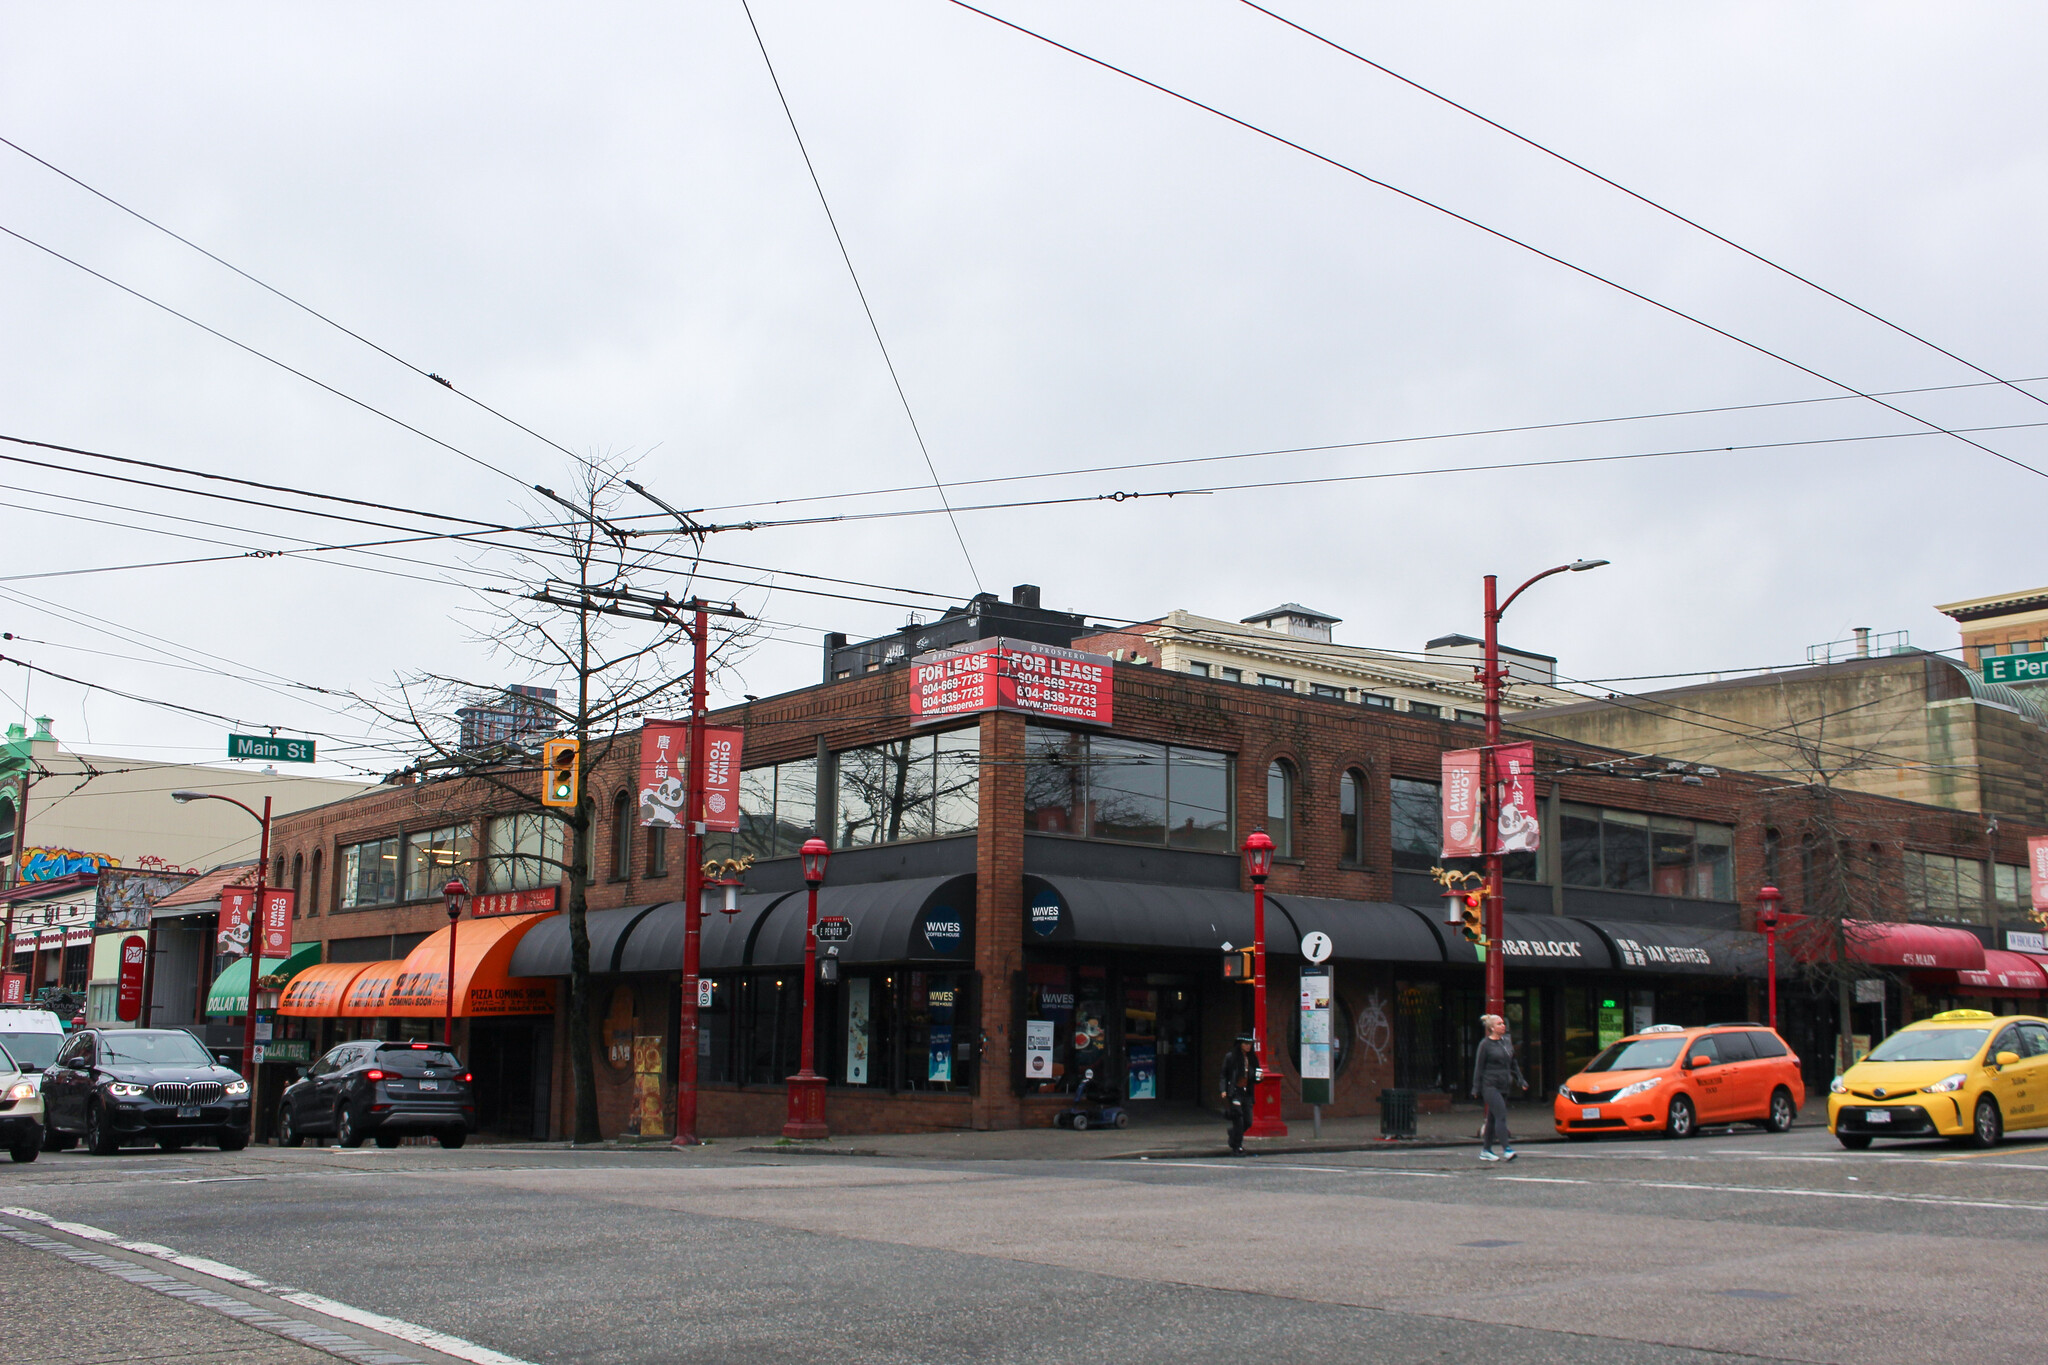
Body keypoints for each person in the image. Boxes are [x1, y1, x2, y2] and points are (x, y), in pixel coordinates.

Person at [1470, 1013, 1527, 1161]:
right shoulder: (1485, 1044)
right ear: (1492, 1028)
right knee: (1501, 1114)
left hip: (1504, 1084)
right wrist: (1476, 1088)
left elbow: (1513, 1063)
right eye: (1499, 1024)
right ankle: (1506, 1149)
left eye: (1503, 1023)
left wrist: (1520, 1080)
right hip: (1489, 1085)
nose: (1503, 1026)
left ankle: (1486, 1150)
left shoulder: (1506, 1042)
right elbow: (1479, 1067)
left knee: (1492, 1119)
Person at [1219, 1033, 1261, 1156]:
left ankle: (1233, 1134)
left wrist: (1259, 1078)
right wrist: (1223, 1090)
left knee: (1248, 1121)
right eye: (1246, 1044)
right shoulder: (1231, 1057)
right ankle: (1237, 1146)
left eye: (1250, 1044)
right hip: (1235, 1091)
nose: (1248, 1046)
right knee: (1238, 1119)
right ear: (1240, 1044)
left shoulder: (1253, 1058)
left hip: (1247, 1092)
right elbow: (1223, 1074)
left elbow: (1256, 1076)